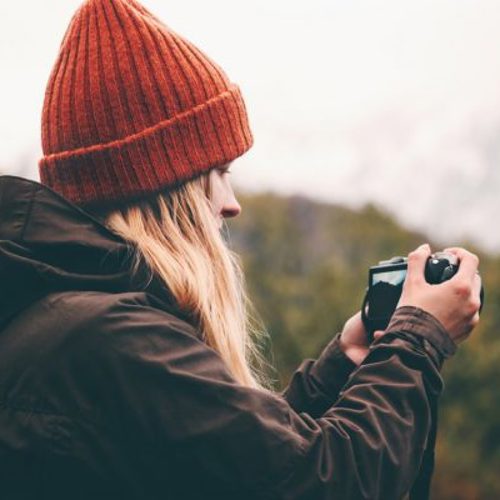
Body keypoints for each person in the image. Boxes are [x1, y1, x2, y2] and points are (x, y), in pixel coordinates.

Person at [0, 0, 482, 498]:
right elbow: (325, 484)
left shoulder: (68, 326)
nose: (231, 205)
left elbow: (239, 468)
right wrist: (418, 340)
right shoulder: (114, 339)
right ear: (167, 184)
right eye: (221, 173)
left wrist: (340, 367)